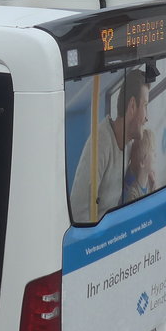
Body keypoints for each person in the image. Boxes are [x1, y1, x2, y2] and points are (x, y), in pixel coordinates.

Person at [69, 69, 150, 222]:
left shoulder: (128, 146)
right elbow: (79, 212)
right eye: (145, 106)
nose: (147, 117)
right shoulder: (101, 143)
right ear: (132, 106)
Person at [121, 128, 157, 203]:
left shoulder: (151, 183)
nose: (155, 155)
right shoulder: (132, 195)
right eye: (153, 151)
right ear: (142, 163)